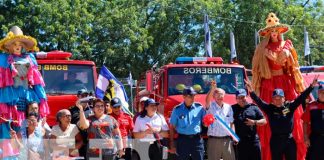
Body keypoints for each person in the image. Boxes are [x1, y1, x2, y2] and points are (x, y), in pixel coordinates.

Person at [251, 12, 306, 160]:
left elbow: (294, 67)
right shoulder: (262, 48)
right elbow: (257, 69)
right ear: (268, 33)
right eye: (271, 31)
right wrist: (254, 87)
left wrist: (299, 84)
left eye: (276, 31)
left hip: (285, 82)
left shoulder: (287, 45)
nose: (274, 33)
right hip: (269, 83)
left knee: (292, 113)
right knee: (269, 115)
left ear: (280, 32)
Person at [0, 26, 48, 159]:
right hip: (8, 100)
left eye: (20, 44)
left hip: (26, 98)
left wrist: (42, 102)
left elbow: (37, 81)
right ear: (8, 46)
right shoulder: (2, 58)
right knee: (8, 132)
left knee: (28, 133)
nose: (17, 46)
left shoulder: (30, 58)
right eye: (14, 44)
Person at [246, 77, 317, 160]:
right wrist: (251, 91)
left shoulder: (290, 107)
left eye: (279, 98)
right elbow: (259, 101)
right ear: (272, 100)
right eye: (275, 98)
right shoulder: (270, 109)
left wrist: (311, 86)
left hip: (289, 140)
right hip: (276, 141)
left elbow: (301, 98)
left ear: (284, 98)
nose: (277, 100)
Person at [169, 87, 206, 160]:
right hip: (183, 140)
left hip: (197, 140)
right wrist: (172, 143)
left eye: (193, 96)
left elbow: (204, 124)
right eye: (190, 96)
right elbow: (172, 127)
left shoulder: (200, 108)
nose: (192, 98)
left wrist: (207, 123)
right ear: (184, 97)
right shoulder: (177, 109)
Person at [232, 89, 267, 160]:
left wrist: (254, 122)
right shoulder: (232, 109)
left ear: (247, 97)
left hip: (253, 141)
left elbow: (264, 121)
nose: (242, 99)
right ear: (236, 99)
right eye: (239, 98)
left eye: (243, 97)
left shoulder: (254, 107)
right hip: (240, 142)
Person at [205, 81, 236, 160]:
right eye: (217, 94)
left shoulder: (228, 107)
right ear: (213, 96)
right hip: (214, 140)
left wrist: (234, 136)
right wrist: (212, 89)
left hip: (227, 140)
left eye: (221, 94)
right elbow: (207, 99)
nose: (220, 96)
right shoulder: (210, 106)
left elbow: (231, 123)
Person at [69, 88, 93, 159]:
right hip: (78, 143)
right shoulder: (71, 110)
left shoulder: (93, 109)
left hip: (91, 142)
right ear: (78, 97)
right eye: (82, 96)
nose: (85, 97)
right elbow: (81, 125)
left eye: (86, 95)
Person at [302, 84, 324, 160]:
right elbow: (305, 122)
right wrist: (305, 137)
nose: (323, 94)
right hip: (315, 139)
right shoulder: (311, 106)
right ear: (318, 93)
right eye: (321, 92)